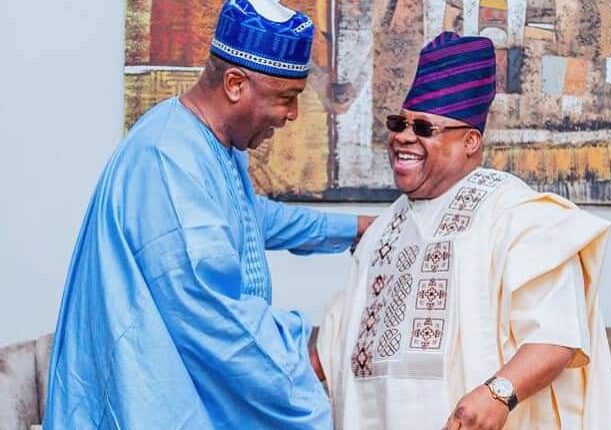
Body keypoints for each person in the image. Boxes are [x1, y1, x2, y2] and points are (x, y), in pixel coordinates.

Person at [43, 0, 373, 428]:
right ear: (235, 83)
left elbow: (253, 218)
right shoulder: (168, 156)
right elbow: (208, 308)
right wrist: (302, 359)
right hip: (148, 395)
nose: (292, 115)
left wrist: (356, 228)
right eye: (285, 98)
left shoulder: (212, 144)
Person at [315, 32, 611, 430]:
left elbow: (556, 335)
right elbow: (341, 339)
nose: (404, 136)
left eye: (424, 127)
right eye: (399, 123)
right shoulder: (382, 230)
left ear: (470, 141)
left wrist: (498, 394)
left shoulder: (518, 216)